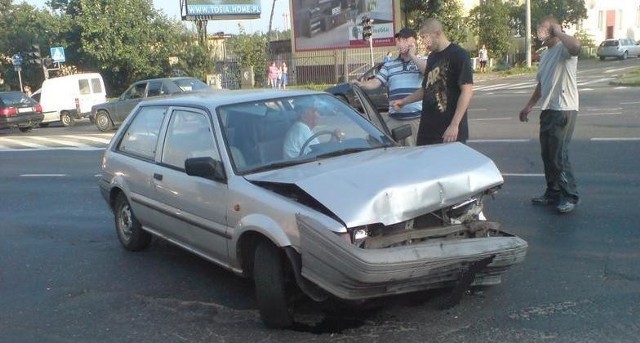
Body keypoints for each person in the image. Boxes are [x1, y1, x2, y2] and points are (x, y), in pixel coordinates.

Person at [518, 15, 581, 214]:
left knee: (558, 155)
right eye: (539, 28)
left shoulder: (564, 49)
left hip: (564, 108)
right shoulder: (545, 54)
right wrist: (529, 106)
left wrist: (558, 30)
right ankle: (552, 192)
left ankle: (569, 195)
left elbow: (576, 47)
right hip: (548, 108)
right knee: (547, 155)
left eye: (544, 28)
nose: (540, 31)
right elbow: (541, 84)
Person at [392, 18, 473, 145]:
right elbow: (426, 89)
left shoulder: (459, 55)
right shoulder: (432, 57)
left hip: (449, 131)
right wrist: (404, 101)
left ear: (437, 33)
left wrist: (454, 124)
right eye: (422, 38)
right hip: (427, 130)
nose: (424, 42)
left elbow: (467, 92)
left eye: (426, 37)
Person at [353, 28, 427, 146]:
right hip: (394, 119)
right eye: (399, 40)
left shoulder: (422, 60)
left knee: (415, 154)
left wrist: (412, 55)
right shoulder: (390, 65)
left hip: (415, 119)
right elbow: (376, 82)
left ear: (414, 42)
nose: (400, 43)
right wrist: (363, 84)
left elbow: (427, 72)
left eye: (404, 39)